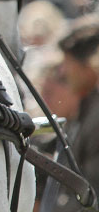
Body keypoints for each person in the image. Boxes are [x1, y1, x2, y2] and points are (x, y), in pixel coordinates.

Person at [40, 15, 99, 212]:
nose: (63, 71)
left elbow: (92, 192)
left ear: (90, 63)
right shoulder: (88, 107)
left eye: (68, 62)